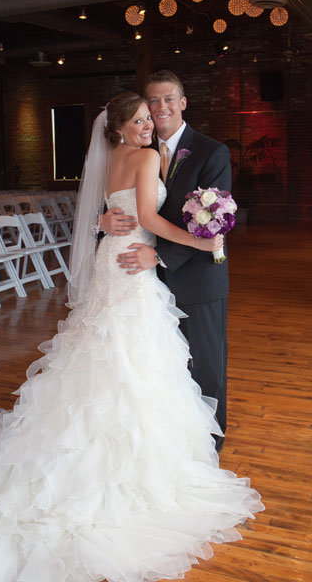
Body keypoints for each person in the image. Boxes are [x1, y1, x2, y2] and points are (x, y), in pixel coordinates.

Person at [0, 92, 263, 582]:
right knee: (131, 358)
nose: (147, 125)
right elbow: (150, 219)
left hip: (113, 267)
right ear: (120, 128)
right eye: (139, 119)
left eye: (149, 118)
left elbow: (118, 210)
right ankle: (133, 468)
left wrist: (111, 223)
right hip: (129, 266)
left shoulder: (116, 156)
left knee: (110, 352)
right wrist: (202, 239)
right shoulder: (140, 155)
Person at [101, 71, 231, 451]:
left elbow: (214, 223)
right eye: (152, 102)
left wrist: (158, 254)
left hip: (195, 275)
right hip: (141, 276)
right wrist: (102, 219)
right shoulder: (136, 150)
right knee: (158, 364)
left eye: (168, 99)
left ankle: (208, 442)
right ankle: (170, 439)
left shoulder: (211, 151)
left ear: (183, 102)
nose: (160, 108)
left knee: (206, 362)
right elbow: (116, 204)